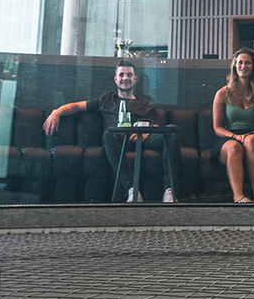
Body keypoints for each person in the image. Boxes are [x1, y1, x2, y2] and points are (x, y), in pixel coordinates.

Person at [43, 59, 178, 202]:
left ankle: (169, 191)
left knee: (172, 130)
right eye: (121, 75)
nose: (125, 78)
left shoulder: (145, 104)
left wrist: (145, 133)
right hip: (117, 140)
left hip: (141, 139)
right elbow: (77, 106)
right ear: (115, 79)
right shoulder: (106, 100)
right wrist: (56, 112)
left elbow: (155, 127)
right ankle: (132, 190)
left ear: (135, 79)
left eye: (129, 75)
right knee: (108, 134)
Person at [212, 47, 254, 203]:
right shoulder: (222, 93)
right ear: (235, 66)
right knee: (233, 147)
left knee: (251, 141)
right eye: (240, 63)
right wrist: (235, 136)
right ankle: (239, 196)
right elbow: (217, 128)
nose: (243, 66)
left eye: (248, 63)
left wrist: (249, 135)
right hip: (228, 136)